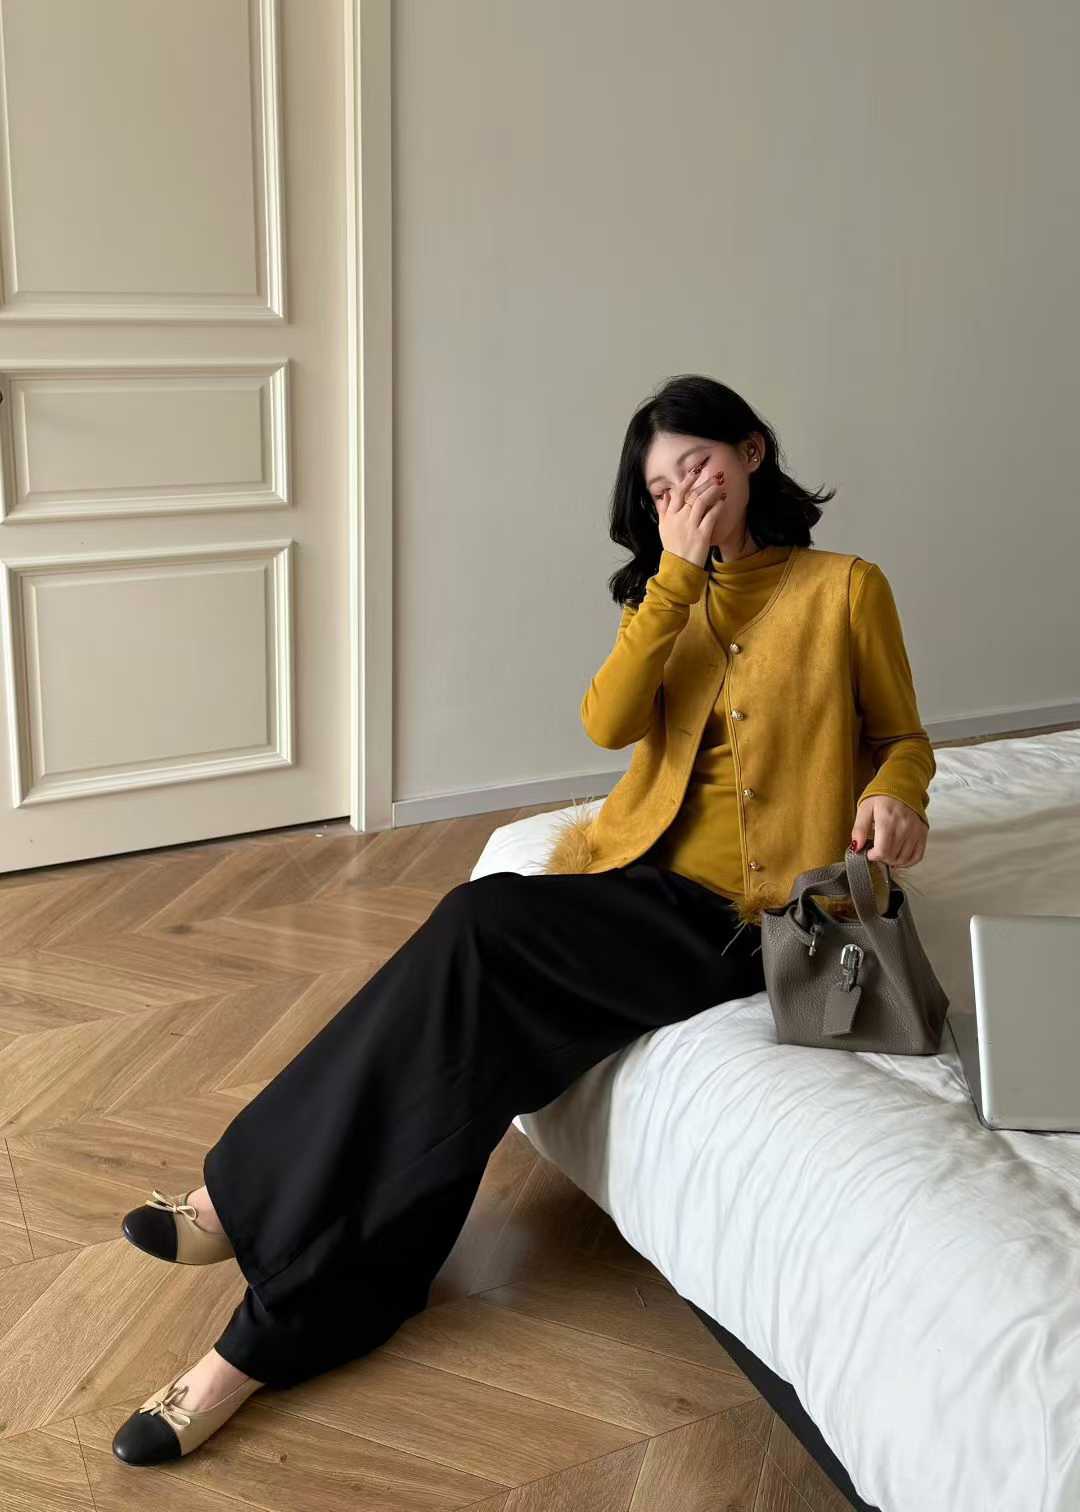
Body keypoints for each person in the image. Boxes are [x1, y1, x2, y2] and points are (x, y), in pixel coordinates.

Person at [110, 374, 934, 1466]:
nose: (683, 493)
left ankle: (238, 1211)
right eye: (659, 487)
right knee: (468, 1048)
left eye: (696, 464)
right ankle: (293, 1321)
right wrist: (675, 578)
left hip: (758, 921)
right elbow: (605, 722)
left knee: (477, 927)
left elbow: (902, 740)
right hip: (639, 878)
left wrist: (898, 798)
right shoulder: (667, 597)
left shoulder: (847, 588)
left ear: (751, 451)